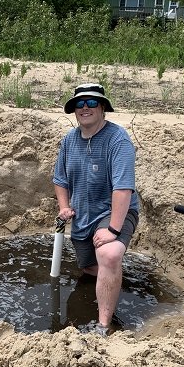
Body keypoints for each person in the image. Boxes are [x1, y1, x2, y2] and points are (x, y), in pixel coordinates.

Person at [52, 83, 139, 331]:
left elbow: (123, 189)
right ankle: (113, 277)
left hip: (115, 211)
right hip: (84, 214)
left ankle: (103, 326)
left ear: (102, 108)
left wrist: (113, 229)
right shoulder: (70, 140)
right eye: (80, 104)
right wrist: (64, 206)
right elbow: (60, 179)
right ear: (74, 110)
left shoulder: (117, 140)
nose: (85, 108)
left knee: (108, 254)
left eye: (91, 103)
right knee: (90, 268)